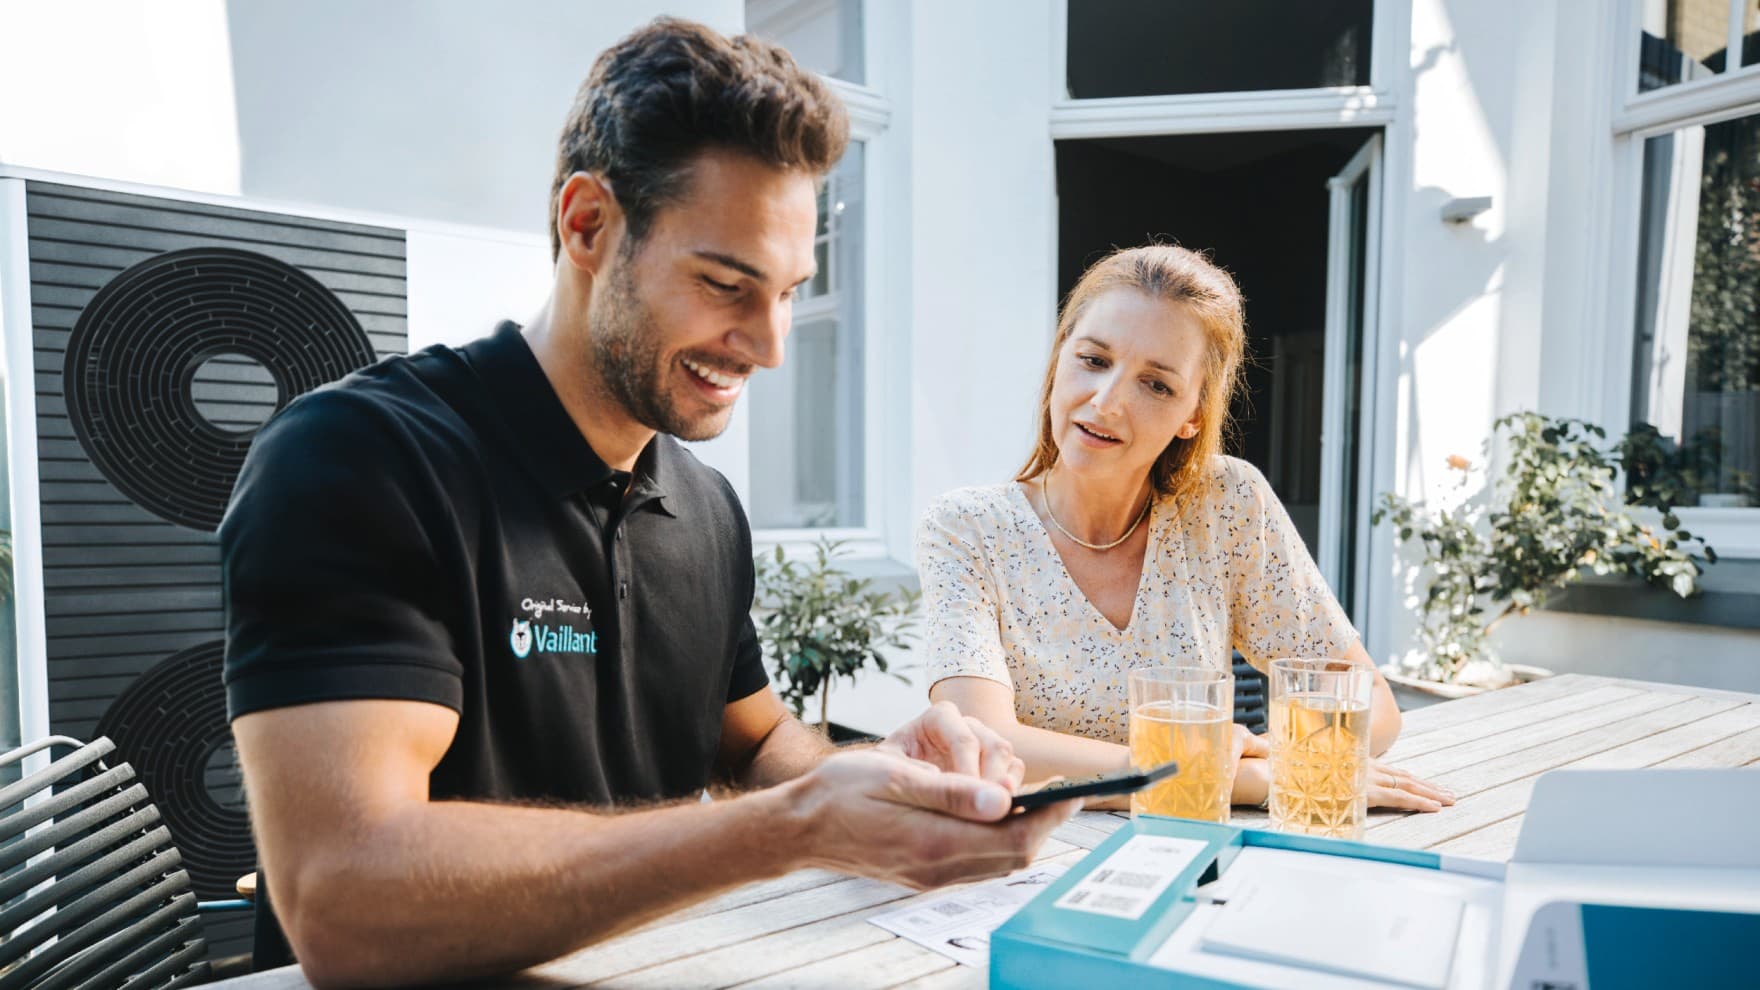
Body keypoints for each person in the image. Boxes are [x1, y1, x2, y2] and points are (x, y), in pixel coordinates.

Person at [221, 18, 1074, 987]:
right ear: (587, 225)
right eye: (725, 283)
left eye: (789, 292)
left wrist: (883, 774)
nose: (770, 345)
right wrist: (790, 828)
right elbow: (345, 900)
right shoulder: (356, 462)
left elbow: (756, 741)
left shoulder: (704, 510)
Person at [918, 244, 1454, 813]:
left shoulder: (1226, 504)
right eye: (1094, 360)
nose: (1106, 402)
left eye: (1157, 385)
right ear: (1060, 358)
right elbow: (981, 749)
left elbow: (1371, 707)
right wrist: (1235, 776)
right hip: (1038, 854)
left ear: (1194, 413)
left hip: (1202, 848)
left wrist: (1266, 757)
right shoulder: (967, 528)